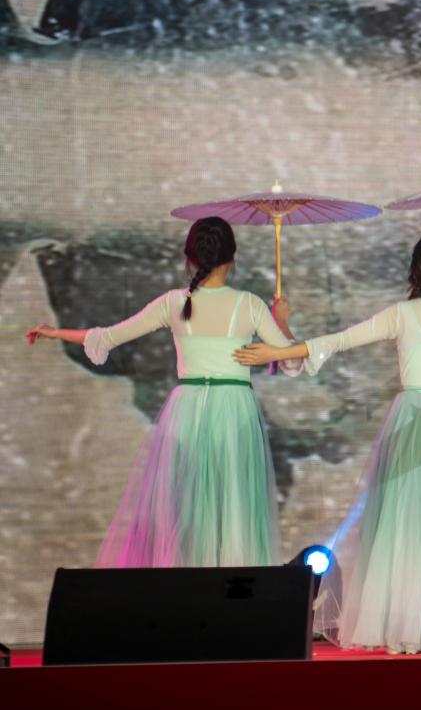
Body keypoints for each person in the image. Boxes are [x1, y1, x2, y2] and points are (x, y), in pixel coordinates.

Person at [237, 230, 421, 654]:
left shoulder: (403, 314)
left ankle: (407, 624)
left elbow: (339, 340)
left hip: (415, 422)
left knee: (407, 522)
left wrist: (285, 349)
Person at [26, 217, 297, 567]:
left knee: (185, 510)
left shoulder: (174, 302)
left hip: (189, 409)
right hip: (233, 410)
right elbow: (292, 361)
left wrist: (56, 332)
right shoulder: (249, 305)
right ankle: (230, 584)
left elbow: (108, 337)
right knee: (232, 508)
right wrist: (281, 319)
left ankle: (185, 584)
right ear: (232, 259)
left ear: (190, 260)